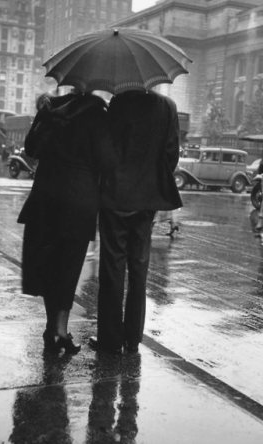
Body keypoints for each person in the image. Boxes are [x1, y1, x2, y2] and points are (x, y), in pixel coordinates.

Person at [18, 91, 116, 354]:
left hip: (45, 195)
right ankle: (59, 330)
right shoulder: (98, 115)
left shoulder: (50, 109)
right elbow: (107, 161)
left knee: (50, 266)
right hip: (78, 200)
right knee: (68, 267)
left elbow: (31, 148)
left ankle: (55, 329)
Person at [90, 89, 182, 355]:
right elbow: (171, 154)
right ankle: (132, 338)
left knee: (113, 268)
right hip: (147, 199)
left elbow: (106, 150)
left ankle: (109, 339)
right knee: (140, 267)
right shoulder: (167, 106)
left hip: (116, 196)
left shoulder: (119, 102)